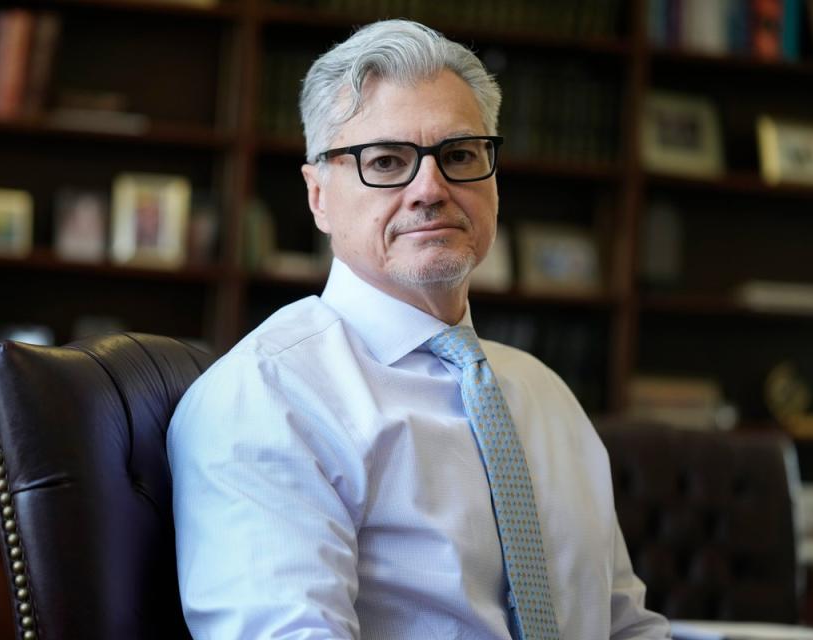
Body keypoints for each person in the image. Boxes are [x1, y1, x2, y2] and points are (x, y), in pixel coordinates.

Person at [168, 19, 671, 640]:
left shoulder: (545, 394)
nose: (429, 189)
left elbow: (625, 625)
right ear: (318, 195)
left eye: (459, 156)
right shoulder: (269, 398)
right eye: (385, 161)